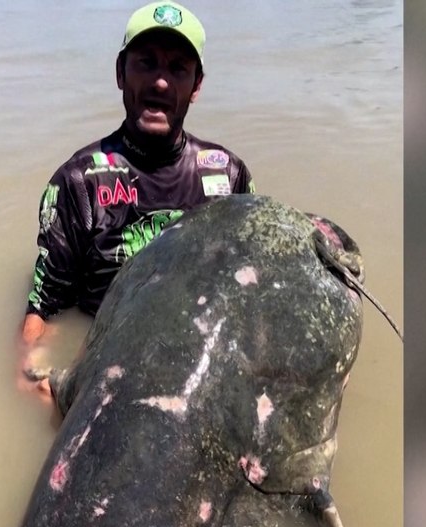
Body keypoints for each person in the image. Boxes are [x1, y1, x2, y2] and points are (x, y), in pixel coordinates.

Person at [17, 2, 255, 399]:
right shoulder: (78, 183)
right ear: (120, 72)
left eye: (178, 68)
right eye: (146, 62)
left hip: (203, 366)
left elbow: (250, 290)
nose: (161, 82)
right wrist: (30, 376)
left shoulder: (228, 176)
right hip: (107, 370)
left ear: (196, 85)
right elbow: (43, 306)